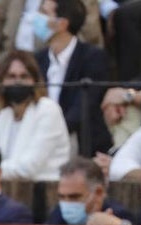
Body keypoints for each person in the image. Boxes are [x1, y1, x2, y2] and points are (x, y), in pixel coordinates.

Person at [32, 0, 111, 156]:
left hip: (79, 144)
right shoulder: (37, 60)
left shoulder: (92, 57)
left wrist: (52, 134)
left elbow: (84, 105)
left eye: (44, 13)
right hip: (39, 140)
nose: (37, 17)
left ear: (62, 24)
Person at [0, 51, 70, 181]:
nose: (17, 81)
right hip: (11, 187)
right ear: (2, 82)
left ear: (34, 81)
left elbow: (28, 168)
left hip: (46, 189)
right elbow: (1, 160)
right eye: (11, 76)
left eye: (24, 76)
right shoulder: (3, 116)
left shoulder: (47, 109)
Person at [44, 156, 133, 225]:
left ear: (98, 193)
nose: (67, 203)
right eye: (62, 197)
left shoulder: (118, 214)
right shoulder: (58, 213)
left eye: (74, 197)